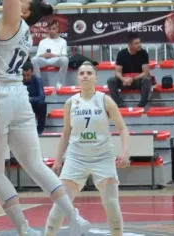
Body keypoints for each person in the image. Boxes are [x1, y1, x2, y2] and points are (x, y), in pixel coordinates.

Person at [0, 0, 93, 236]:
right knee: (35, 165)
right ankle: (75, 219)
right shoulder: (24, 34)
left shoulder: (10, 22)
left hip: (0, 97)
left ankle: (23, 229)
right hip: (18, 96)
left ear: (25, 10)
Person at [45, 62, 130, 236]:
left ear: (96, 77)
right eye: (81, 73)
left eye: (89, 73)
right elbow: (66, 133)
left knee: (112, 205)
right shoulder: (70, 102)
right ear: (77, 78)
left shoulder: (105, 100)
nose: (85, 75)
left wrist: (126, 153)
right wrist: (58, 158)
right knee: (60, 206)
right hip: (76, 158)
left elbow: (122, 128)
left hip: (103, 157)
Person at [107, 33, 153, 108]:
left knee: (147, 79)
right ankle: (119, 104)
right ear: (130, 45)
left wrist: (133, 79)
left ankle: (142, 105)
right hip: (125, 81)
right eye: (136, 43)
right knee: (111, 80)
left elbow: (145, 72)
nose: (139, 45)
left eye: (139, 42)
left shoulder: (144, 53)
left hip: (137, 80)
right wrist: (123, 79)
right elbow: (117, 72)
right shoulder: (121, 54)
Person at [31, 19, 69, 89]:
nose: (51, 31)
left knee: (65, 60)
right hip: (45, 60)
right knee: (34, 59)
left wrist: (53, 55)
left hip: (56, 60)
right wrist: (44, 55)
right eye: (50, 29)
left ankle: (59, 82)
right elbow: (38, 55)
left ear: (57, 29)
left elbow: (64, 55)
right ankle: (38, 82)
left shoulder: (63, 41)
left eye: (53, 29)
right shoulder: (42, 41)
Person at [22, 62, 46, 134]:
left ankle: (40, 129)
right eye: (24, 75)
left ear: (32, 72)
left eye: (28, 75)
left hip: (33, 105)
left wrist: (29, 99)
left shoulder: (37, 79)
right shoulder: (18, 80)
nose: (25, 77)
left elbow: (42, 97)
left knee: (42, 104)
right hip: (21, 104)